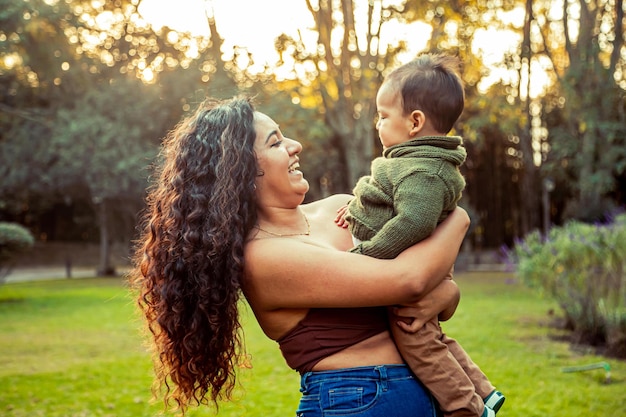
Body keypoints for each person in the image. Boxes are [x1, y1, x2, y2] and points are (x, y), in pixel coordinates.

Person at [129, 96, 471, 416]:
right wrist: (459, 218)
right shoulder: (264, 258)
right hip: (356, 398)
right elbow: (409, 280)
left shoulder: (343, 207)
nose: (295, 146)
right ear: (243, 173)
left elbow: (434, 283)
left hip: (425, 390)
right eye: (275, 143)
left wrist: (447, 293)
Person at [335, 53, 505, 417]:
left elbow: (412, 222)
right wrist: (356, 207)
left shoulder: (424, 173)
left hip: (415, 267)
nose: (377, 125)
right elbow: (384, 196)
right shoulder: (410, 162)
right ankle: (483, 389)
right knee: (431, 335)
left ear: (415, 122)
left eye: (383, 116)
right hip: (416, 264)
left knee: (418, 340)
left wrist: (365, 256)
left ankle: (466, 407)